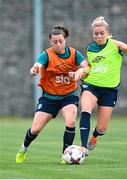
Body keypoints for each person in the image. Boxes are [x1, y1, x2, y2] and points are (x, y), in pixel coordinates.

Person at [73, 16, 127, 152]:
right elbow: (91, 67)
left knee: (102, 128)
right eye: (96, 34)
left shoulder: (116, 45)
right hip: (91, 85)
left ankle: (95, 137)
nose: (99, 36)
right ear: (93, 34)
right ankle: (83, 147)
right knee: (85, 110)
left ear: (107, 33)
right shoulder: (90, 48)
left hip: (109, 90)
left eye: (102, 33)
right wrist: (81, 71)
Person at [15, 26, 89, 164]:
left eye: (60, 41)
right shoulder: (46, 55)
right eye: (55, 42)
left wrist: (81, 71)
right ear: (50, 41)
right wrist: (34, 70)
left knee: (71, 122)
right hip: (49, 98)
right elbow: (36, 66)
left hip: (68, 96)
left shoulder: (74, 54)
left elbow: (86, 66)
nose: (58, 44)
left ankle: (65, 156)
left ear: (65, 40)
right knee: (35, 129)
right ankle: (23, 149)